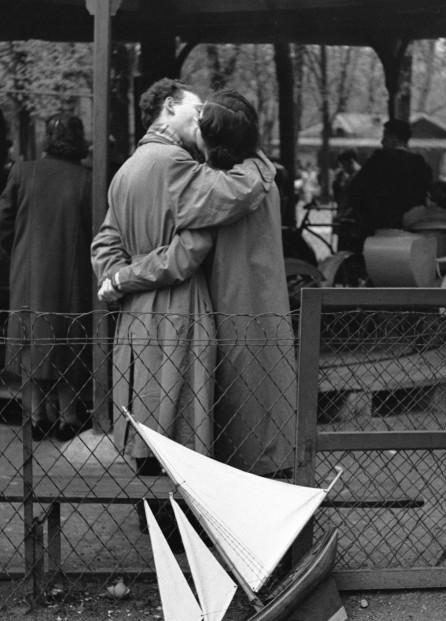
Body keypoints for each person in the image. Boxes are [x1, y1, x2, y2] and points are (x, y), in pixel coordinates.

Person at [96, 90, 296, 479]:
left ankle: (160, 520)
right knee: (195, 423)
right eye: (195, 106)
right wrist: (262, 164)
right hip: (204, 315)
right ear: (170, 105)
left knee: (154, 420)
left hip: (141, 318)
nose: (198, 114)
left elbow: (106, 241)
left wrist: (116, 276)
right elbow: (192, 245)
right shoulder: (191, 171)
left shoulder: (125, 171)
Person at [0, 113, 92, 441]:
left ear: (47, 139)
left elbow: (4, 221)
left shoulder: (23, 173)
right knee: (66, 341)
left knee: (29, 341)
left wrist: (20, 253)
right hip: (72, 275)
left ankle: (36, 417)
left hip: (28, 271)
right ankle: (68, 416)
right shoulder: (86, 179)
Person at [348, 119, 433, 241]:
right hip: (410, 229)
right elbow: (426, 195)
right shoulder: (420, 164)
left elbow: (355, 190)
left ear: (394, 138)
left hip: (376, 229)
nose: (382, 141)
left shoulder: (377, 161)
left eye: (385, 136)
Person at [332, 148, 361, 215]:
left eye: (344, 165)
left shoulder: (358, 177)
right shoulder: (349, 177)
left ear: (351, 162)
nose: (344, 169)